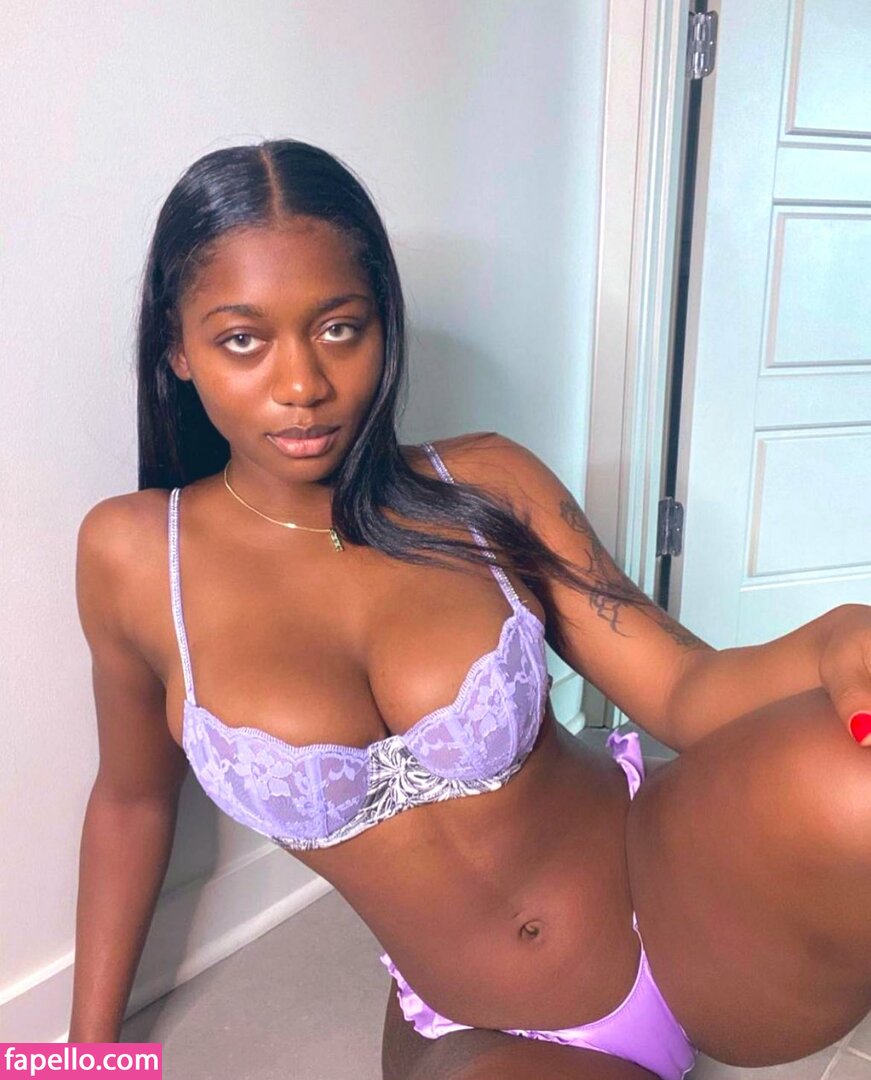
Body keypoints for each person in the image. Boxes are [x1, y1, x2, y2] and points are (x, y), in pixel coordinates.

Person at [69, 139, 871, 1080]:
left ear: (383, 325)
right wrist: (84, 1059)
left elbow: (683, 688)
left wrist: (834, 636)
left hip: (674, 887)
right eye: (243, 339)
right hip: (487, 1026)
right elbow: (130, 803)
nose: (302, 385)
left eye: (339, 327)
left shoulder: (483, 483)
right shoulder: (134, 558)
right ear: (177, 347)